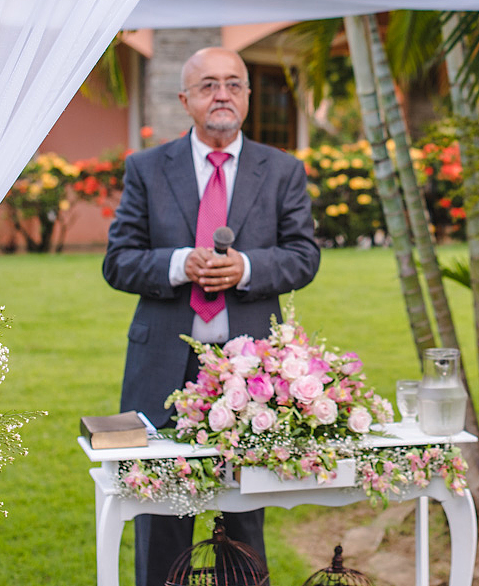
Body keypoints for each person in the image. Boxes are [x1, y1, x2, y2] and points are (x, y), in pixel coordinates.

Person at [103, 47, 320, 586]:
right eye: (207, 85)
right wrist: (179, 263)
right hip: (162, 368)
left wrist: (246, 266)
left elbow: (304, 255)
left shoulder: (283, 170)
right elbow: (118, 260)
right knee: (160, 509)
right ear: (185, 100)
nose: (221, 94)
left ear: (247, 96)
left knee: (244, 513)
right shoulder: (148, 168)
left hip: (253, 373)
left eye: (233, 84)